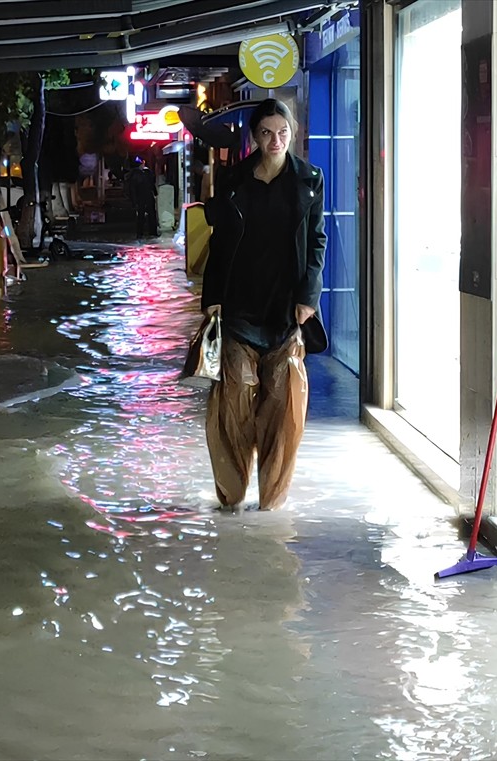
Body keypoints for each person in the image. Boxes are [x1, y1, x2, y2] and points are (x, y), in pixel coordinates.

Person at [200, 98, 327, 510]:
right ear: (255, 137)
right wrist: (213, 300)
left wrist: (309, 297)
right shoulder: (234, 179)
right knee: (232, 404)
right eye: (268, 133)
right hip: (238, 309)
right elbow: (218, 244)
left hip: (286, 311)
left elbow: (316, 242)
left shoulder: (309, 179)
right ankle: (232, 497)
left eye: (283, 132)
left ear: (292, 133)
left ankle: (271, 504)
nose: (277, 140)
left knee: (285, 407)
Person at [127, 157, 158, 237]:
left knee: (143, 215)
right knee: (149, 214)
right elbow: (151, 184)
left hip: (142, 197)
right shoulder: (145, 173)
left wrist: (134, 201)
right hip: (145, 196)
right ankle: (150, 232)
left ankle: (141, 233)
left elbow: (132, 189)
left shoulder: (135, 174)